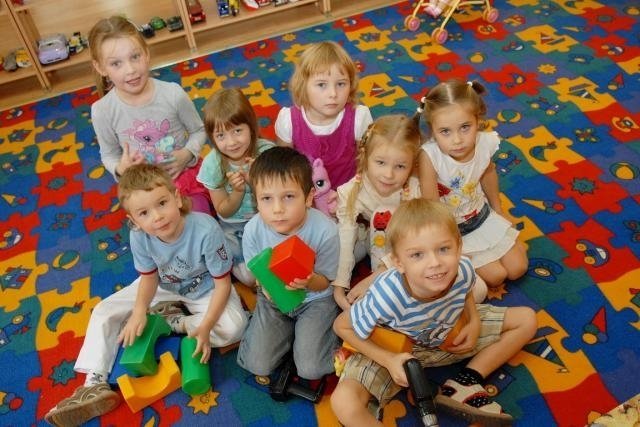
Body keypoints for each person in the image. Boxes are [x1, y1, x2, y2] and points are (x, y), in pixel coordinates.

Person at [44, 164, 247, 426]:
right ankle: (94, 382)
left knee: (235, 326)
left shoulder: (205, 229)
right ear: (134, 221)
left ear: (176, 198)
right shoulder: (139, 235)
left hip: (206, 289)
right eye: (144, 213)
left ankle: (175, 322)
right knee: (105, 311)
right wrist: (139, 311)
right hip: (163, 285)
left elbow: (222, 284)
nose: (157, 217)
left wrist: (206, 326)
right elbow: (149, 278)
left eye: (162, 203)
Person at [330, 198, 537, 426]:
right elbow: (341, 325)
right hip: (393, 350)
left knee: (527, 320)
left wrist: (473, 320)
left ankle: (466, 382)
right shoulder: (387, 294)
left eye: (444, 249)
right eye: (417, 255)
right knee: (344, 402)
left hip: (446, 337)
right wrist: (389, 360)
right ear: (398, 262)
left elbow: (466, 290)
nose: (435, 263)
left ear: (459, 247)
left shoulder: (463, 268)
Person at [236, 147, 341, 381]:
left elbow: (326, 281)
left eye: (289, 197)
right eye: (266, 199)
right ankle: (285, 336)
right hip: (274, 299)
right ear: (256, 200)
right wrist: (266, 288)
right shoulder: (253, 229)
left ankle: (317, 338)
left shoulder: (326, 231)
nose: (277, 209)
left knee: (311, 370)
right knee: (257, 364)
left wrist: (310, 281)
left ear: (309, 197)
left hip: (315, 300)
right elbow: (257, 271)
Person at [89, 16, 212, 214]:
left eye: (135, 57)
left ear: (146, 54)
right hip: (144, 192)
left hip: (185, 179)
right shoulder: (101, 110)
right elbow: (109, 155)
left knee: (199, 221)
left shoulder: (173, 94)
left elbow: (199, 130)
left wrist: (187, 154)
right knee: (159, 229)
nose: (130, 70)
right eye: (116, 64)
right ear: (101, 68)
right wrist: (120, 169)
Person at [416, 79, 528, 288]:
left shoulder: (484, 142)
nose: (457, 140)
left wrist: (499, 210)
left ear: (478, 120)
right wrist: (448, 244)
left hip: (483, 216)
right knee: (496, 276)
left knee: (518, 268)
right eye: (445, 131)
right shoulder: (430, 156)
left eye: (465, 127)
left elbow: (488, 173)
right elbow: (432, 205)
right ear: (432, 130)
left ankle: (503, 247)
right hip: (454, 230)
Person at [332, 114, 422, 312]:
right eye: (380, 162)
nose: (389, 175)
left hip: (409, 248)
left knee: (385, 213)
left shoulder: (416, 190)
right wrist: (339, 286)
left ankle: (381, 281)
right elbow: (345, 238)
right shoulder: (351, 190)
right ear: (365, 157)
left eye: (400, 166)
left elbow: (420, 240)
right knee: (335, 239)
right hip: (374, 241)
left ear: (412, 165)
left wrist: (375, 277)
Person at [197, 88, 275, 286]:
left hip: (269, 219)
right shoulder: (212, 165)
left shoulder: (268, 153)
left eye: (237, 131)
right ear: (212, 138)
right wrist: (238, 193)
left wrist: (256, 181)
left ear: (251, 126)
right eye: (221, 135)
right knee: (249, 278)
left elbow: (278, 196)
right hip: (233, 227)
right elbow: (223, 210)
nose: (231, 142)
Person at [275, 40, 373, 190]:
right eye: (321, 85)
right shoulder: (288, 121)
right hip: (307, 195)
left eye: (341, 84)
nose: (333, 94)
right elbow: (284, 167)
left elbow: (367, 163)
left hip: (349, 192)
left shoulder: (359, 117)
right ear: (303, 86)